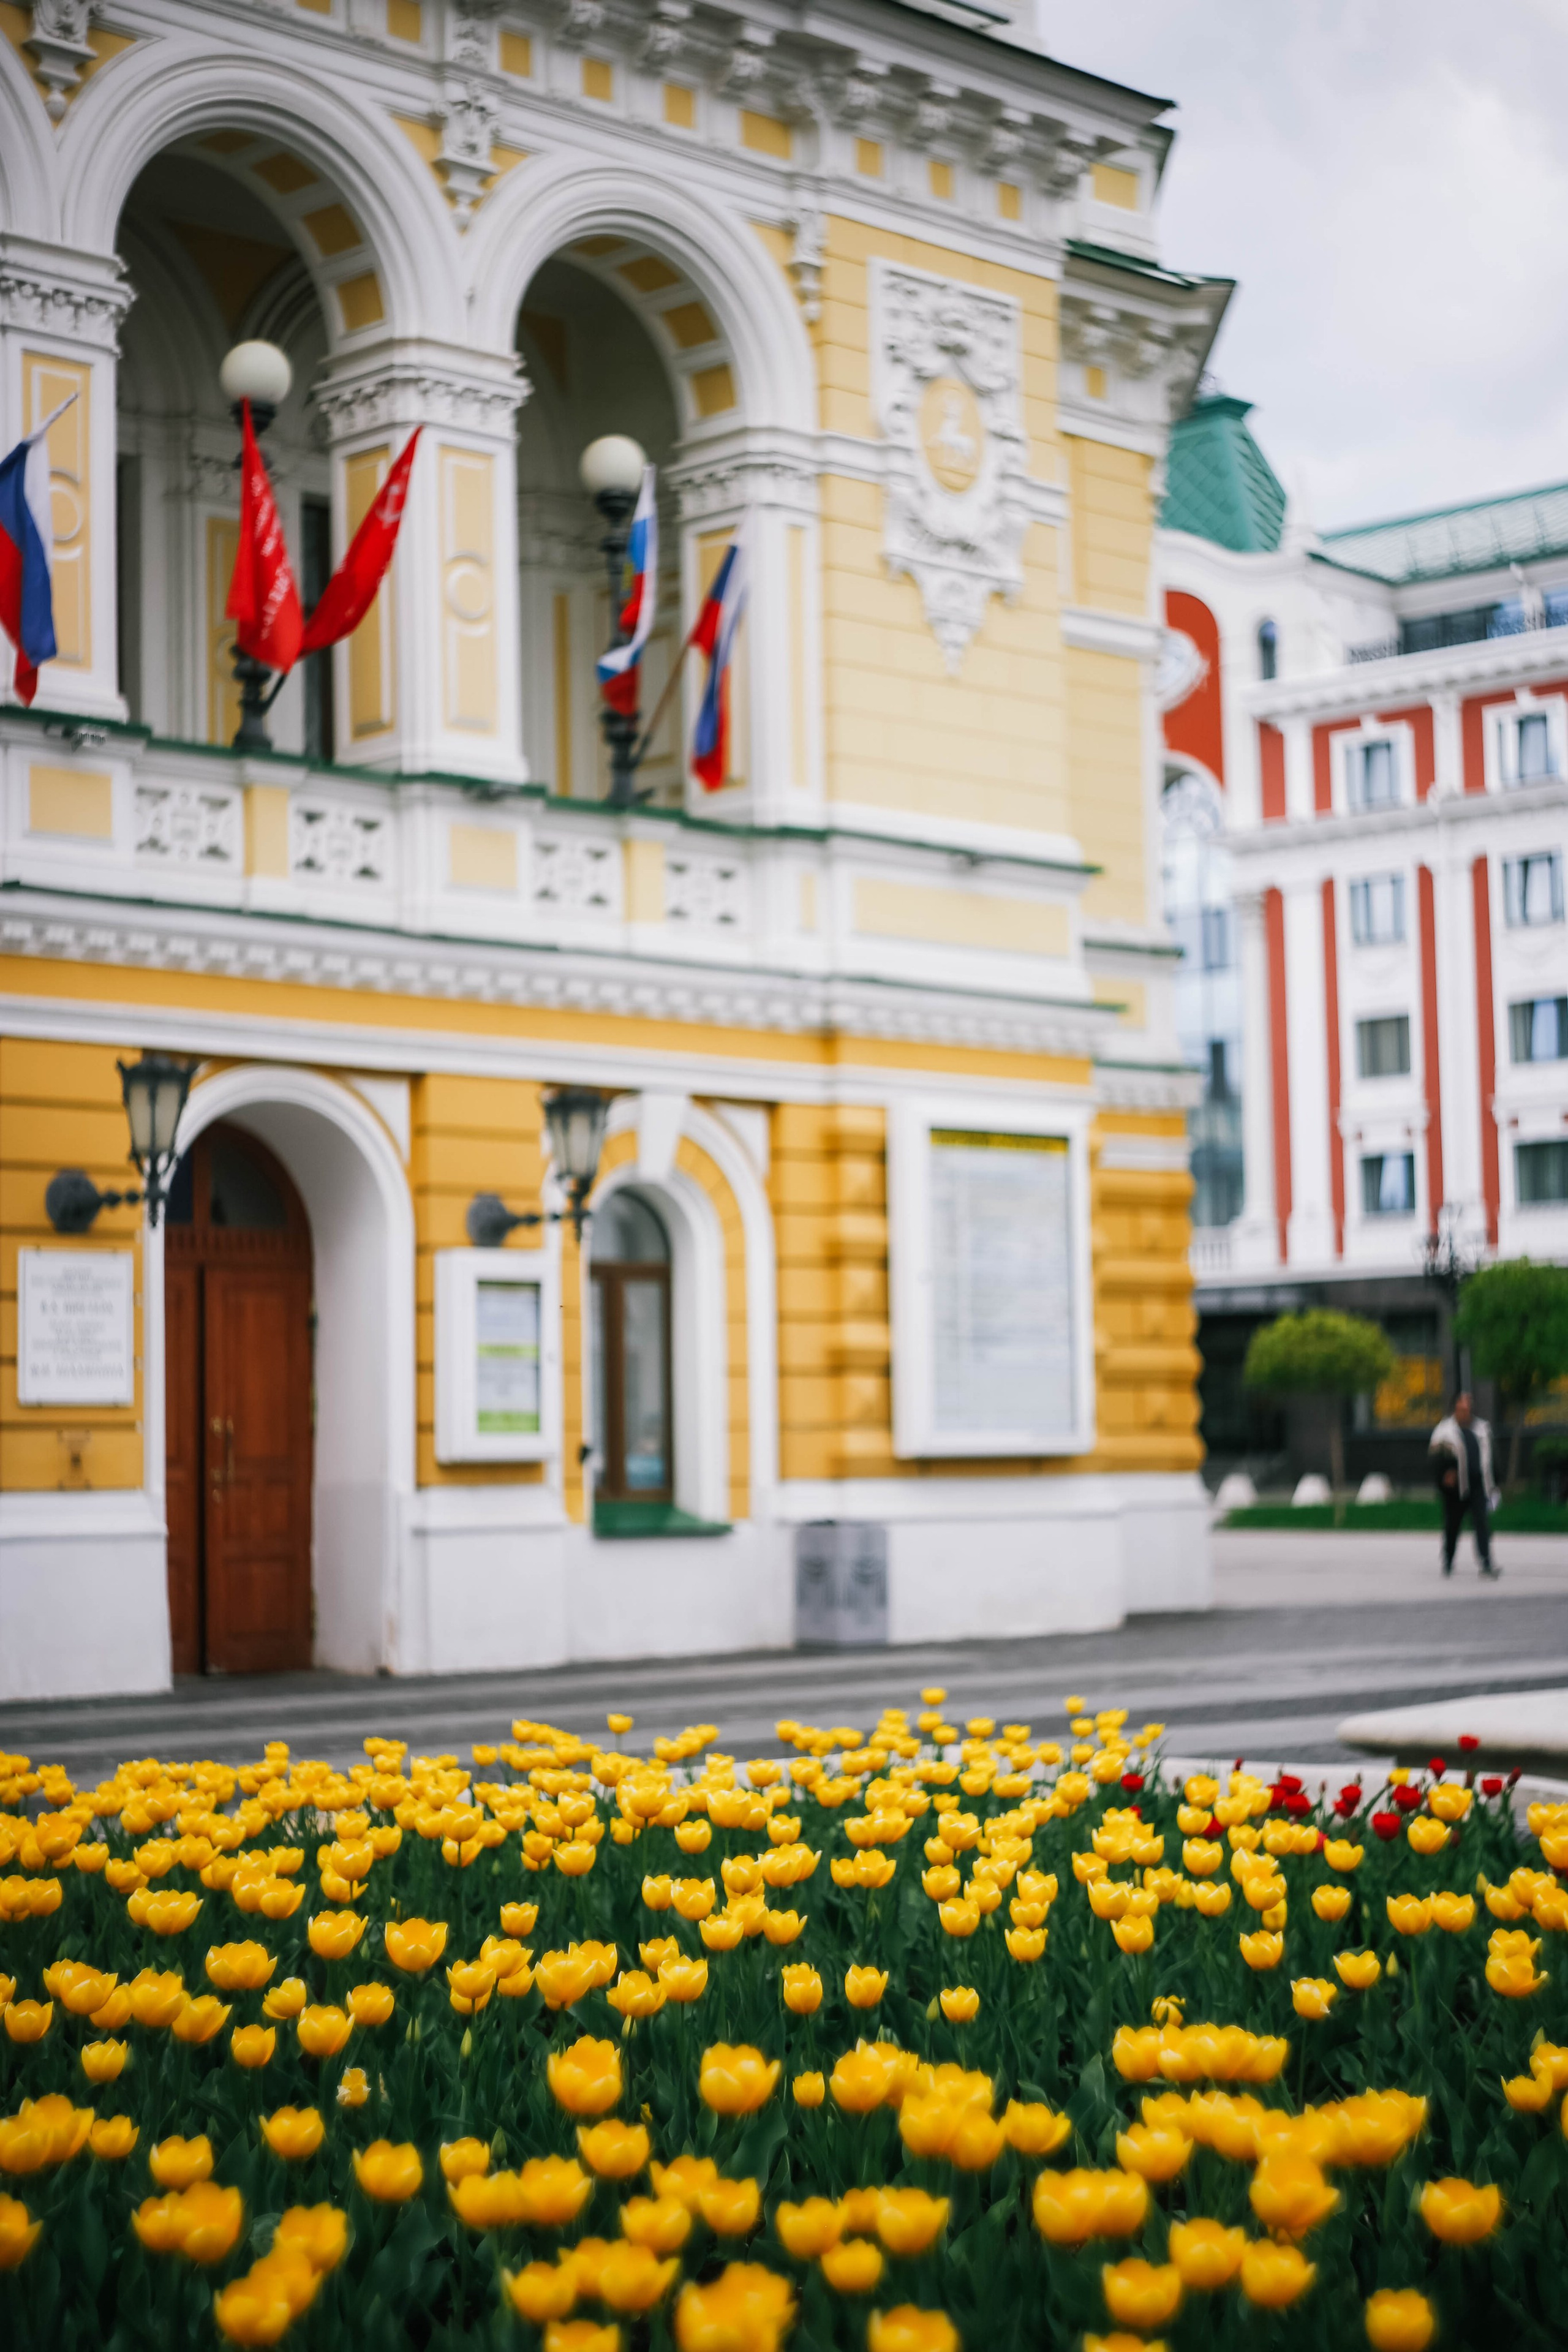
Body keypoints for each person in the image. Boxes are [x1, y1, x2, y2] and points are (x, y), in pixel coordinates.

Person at [1428, 1392, 1500, 1580]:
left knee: (1482, 1524)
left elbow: (1490, 1458)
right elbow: (1435, 1460)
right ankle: (1449, 1559)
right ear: (1455, 1409)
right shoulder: (1444, 1431)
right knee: (1453, 1526)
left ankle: (1486, 1563)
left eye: (1468, 1409)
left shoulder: (1482, 1429)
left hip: (1478, 1486)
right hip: (1456, 1490)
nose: (1465, 1412)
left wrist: (1494, 1484)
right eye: (1462, 1409)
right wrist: (1444, 1477)